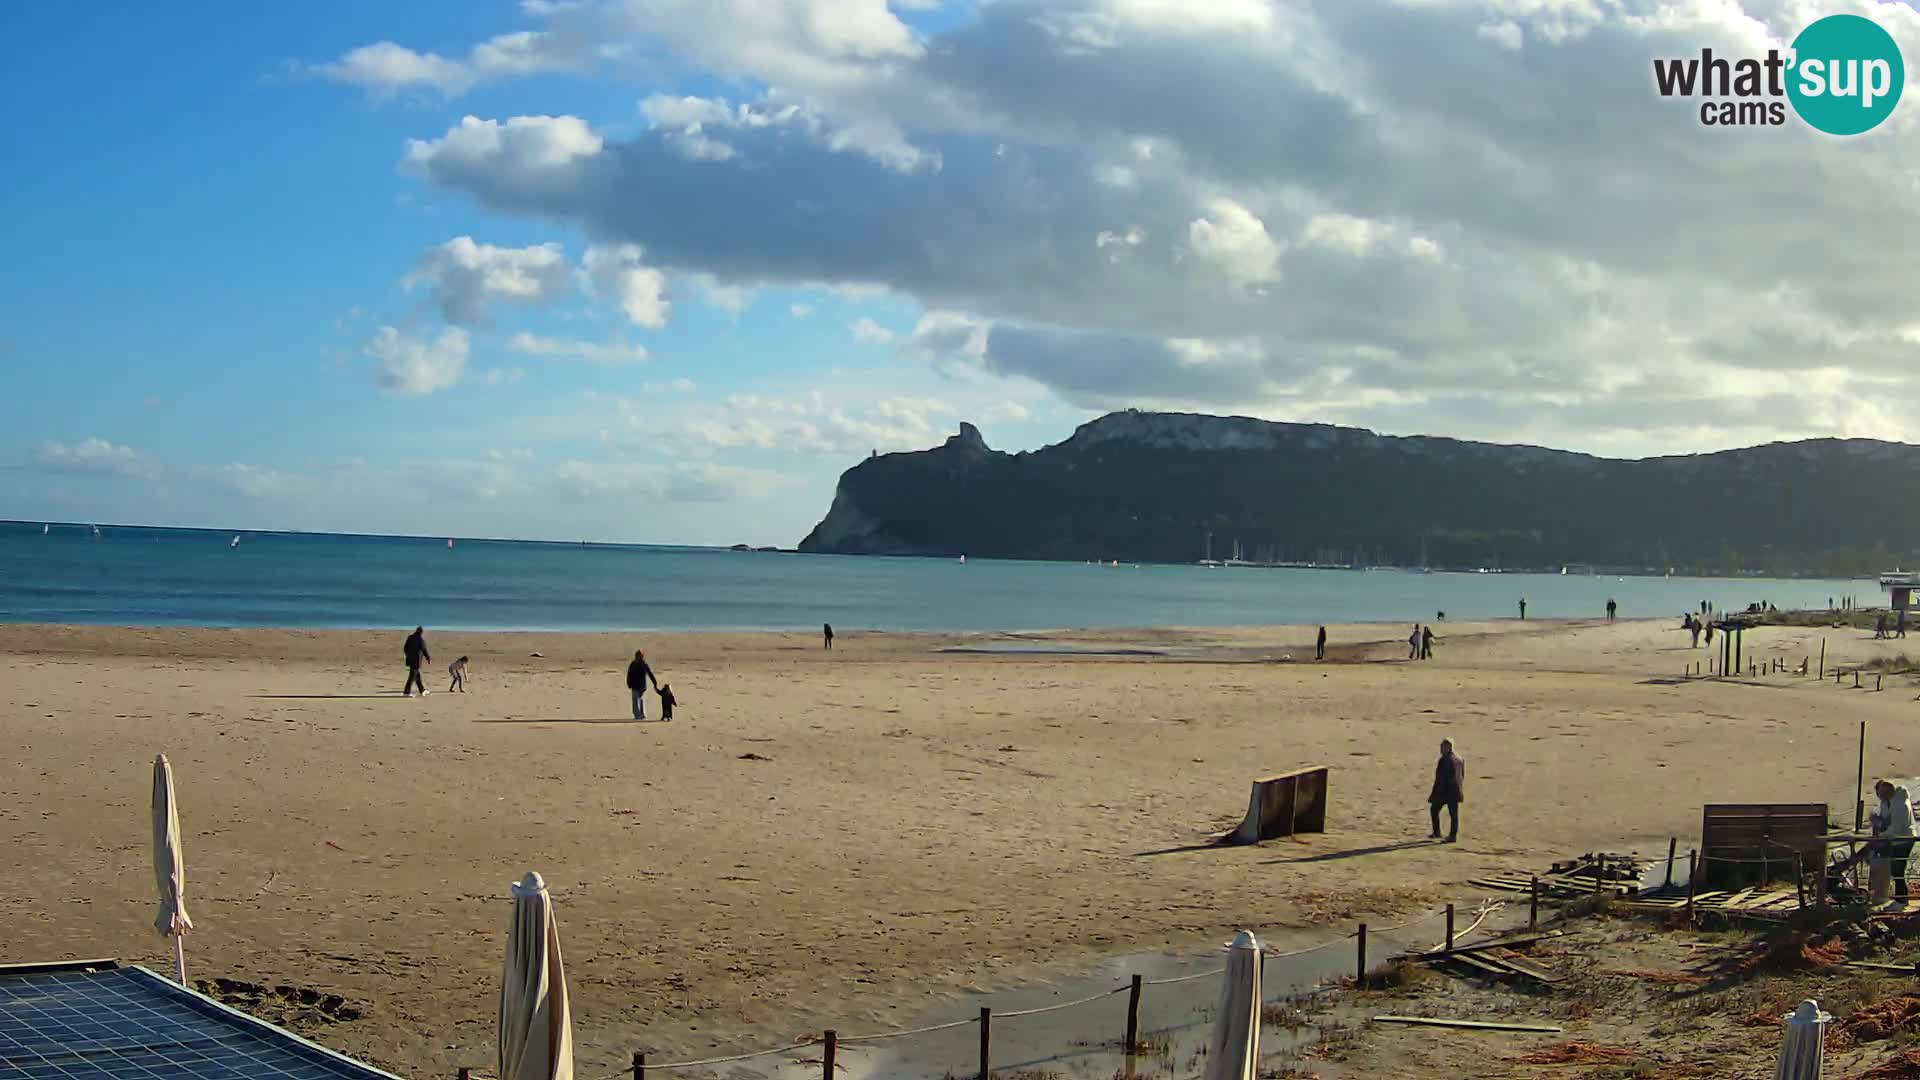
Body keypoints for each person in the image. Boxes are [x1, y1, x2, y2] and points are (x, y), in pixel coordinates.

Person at [1877, 780, 1916, 908]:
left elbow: (1897, 827)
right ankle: (1898, 897)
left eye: (1882, 795)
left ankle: (1902, 900)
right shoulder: (1886, 801)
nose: (1880, 798)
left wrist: (1882, 836)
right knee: (1894, 869)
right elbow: (1886, 819)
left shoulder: (1900, 804)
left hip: (1904, 839)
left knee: (1898, 868)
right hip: (1893, 839)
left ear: (1889, 792)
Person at [1428, 739, 1464, 842]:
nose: (1441, 749)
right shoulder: (1459, 759)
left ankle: (1439, 833)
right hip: (1456, 790)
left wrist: (1435, 794)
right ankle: (1451, 835)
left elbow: (1440, 778)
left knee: (1434, 809)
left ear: (1448, 747)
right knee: (1454, 815)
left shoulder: (1445, 760)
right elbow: (1462, 775)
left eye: (1442, 747)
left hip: (1446, 791)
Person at [626, 649, 660, 720]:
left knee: (639, 699)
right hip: (636, 685)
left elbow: (650, 674)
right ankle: (639, 715)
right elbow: (629, 674)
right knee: (637, 699)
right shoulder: (635, 664)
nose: (639, 657)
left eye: (640, 656)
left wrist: (655, 682)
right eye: (638, 656)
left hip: (641, 686)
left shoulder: (642, 664)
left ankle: (641, 715)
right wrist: (629, 683)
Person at [403, 627, 430, 698]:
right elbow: (424, 650)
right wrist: (428, 659)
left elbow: (405, 648)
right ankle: (406, 692)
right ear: (421, 632)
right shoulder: (420, 640)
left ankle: (422, 690)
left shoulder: (410, 637)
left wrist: (408, 655)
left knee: (417, 676)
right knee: (412, 677)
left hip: (410, 660)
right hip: (416, 661)